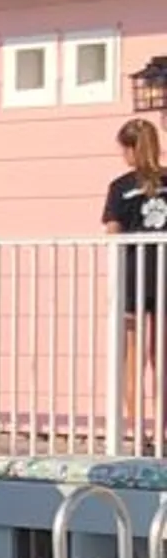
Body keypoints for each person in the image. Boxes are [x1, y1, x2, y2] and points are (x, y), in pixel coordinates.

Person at [103, 117, 167, 445]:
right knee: (162, 359)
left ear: (129, 149)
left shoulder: (120, 187)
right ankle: (162, 432)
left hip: (134, 279)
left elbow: (112, 236)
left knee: (133, 359)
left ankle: (139, 432)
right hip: (165, 276)